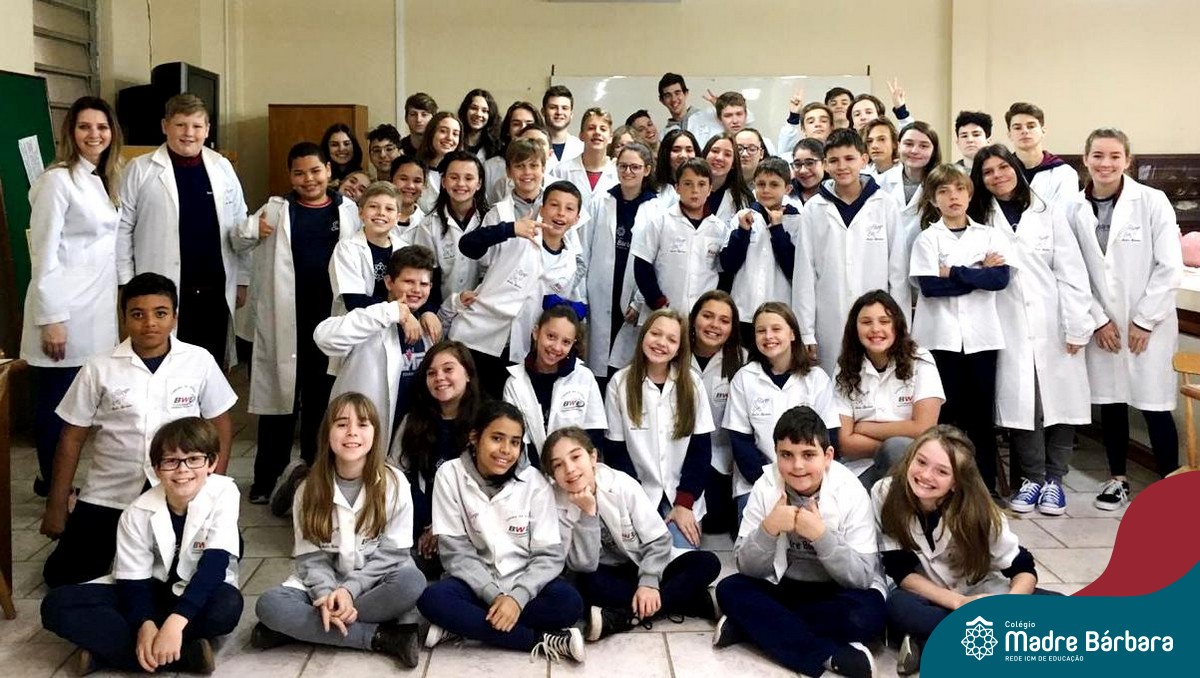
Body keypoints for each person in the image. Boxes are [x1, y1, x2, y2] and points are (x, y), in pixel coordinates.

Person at [40, 273, 236, 588]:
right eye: (138, 314)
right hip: (109, 492)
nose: (150, 323)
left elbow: (221, 423)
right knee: (63, 578)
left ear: (174, 317)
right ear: (124, 319)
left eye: (160, 313)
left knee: (195, 568)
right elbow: (71, 437)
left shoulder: (199, 361)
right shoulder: (99, 367)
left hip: (178, 488)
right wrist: (56, 504)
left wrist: (212, 485)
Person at [41, 417, 242, 675]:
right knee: (57, 604)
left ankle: (112, 652)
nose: (182, 470)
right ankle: (182, 655)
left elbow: (213, 567)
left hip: (194, 589)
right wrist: (145, 624)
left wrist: (175, 623)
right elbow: (134, 582)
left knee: (227, 605)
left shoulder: (225, 493)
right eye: (170, 461)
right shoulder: (136, 512)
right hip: (150, 589)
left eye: (194, 459)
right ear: (156, 469)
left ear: (211, 463)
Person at [252, 394, 425, 667]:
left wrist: (349, 592)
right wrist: (326, 595)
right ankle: (381, 637)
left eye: (363, 424)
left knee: (412, 583)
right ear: (327, 433)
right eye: (342, 424)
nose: (352, 432)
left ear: (376, 434)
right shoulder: (307, 490)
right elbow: (311, 559)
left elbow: (394, 553)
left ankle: (299, 629)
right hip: (326, 585)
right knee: (270, 604)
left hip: (377, 582)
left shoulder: (395, 482)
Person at [714, 406, 886, 678]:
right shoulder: (765, 485)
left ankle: (754, 627)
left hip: (835, 591)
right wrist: (769, 529)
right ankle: (830, 655)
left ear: (827, 456)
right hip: (785, 585)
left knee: (868, 614)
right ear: (776, 454)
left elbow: (862, 577)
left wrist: (821, 536)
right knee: (729, 589)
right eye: (786, 455)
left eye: (808, 455)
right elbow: (746, 567)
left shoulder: (851, 490)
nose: (797, 466)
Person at [967, 144, 1093, 514]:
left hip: (1053, 321)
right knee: (1023, 404)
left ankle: (1055, 480)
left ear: (1016, 169)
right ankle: (1032, 479)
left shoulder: (1047, 212)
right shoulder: (979, 219)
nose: (997, 176)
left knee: (1062, 402)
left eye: (1003, 167)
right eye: (988, 172)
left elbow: (1071, 271)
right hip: (1006, 324)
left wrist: (1076, 326)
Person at [873, 426, 1055, 675]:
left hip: (979, 591)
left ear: (956, 482)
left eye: (941, 471)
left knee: (1059, 608)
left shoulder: (980, 511)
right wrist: (959, 603)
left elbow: (1022, 567)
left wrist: (1010, 608)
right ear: (910, 459)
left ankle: (927, 642)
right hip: (926, 595)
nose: (925, 475)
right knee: (898, 608)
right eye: (921, 462)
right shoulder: (885, 492)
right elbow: (901, 572)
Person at [1065, 128, 1183, 508]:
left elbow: (1169, 266)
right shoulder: (1072, 208)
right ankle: (1117, 480)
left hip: (1150, 324)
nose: (1106, 163)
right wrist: (1098, 319)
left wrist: (1145, 320)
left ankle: (1170, 489)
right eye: (1098, 155)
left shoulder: (1152, 201)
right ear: (1086, 159)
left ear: (1127, 161)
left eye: (1115, 156)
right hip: (1104, 325)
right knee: (1112, 403)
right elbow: (1073, 272)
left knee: (1155, 405)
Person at [237, 142, 360, 505]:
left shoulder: (347, 210)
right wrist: (251, 229)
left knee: (322, 403)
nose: (309, 179)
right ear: (290, 176)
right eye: (299, 173)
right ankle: (266, 479)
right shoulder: (276, 209)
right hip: (287, 320)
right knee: (280, 405)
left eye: (316, 171)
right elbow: (239, 238)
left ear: (328, 171)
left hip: (330, 321)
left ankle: (314, 477)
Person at [417, 401, 586, 662]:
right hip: (473, 583)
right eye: (497, 438)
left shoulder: (535, 483)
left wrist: (517, 598)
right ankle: (540, 640)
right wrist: (494, 596)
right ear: (475, 438)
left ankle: (464, 625)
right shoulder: (449, 475)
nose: (506, 450)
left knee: (570, 603)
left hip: (525, 582)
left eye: (515, 442)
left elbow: (549, 556)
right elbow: (456, 554)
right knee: (432, 599)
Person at [21, 96, 123, 498]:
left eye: (101, 127)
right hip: (63, 313)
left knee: (82, 405)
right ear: (70, 132)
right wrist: (52, 319)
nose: (94, 134)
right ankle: (53, 485)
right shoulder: (57, 181)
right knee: (57, 406)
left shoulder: (102, 177)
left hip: (95, 310)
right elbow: (43, 254)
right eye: (84, 127)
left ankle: (59, 480)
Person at [543, 427, 721, 640]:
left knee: (708, 563)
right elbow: (583, 565)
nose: (570, 469)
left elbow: (659, 540)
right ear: (552, 475)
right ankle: (695, 601)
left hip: (643, 562)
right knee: (587, 586)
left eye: (575, 457)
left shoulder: (621, 484)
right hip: (604, 573)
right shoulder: (554, 502)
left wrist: (648, 582)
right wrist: (587, 515)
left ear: (593, 457)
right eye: (558, 465)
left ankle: (623, 617)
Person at [118, 93, 249, 368]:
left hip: (215, 287)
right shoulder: (139, 169)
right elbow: (122, 229)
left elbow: (241, 223)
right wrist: (126, 282)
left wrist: (242, 279)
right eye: (180, 125)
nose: (189, 133)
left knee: (209, 364)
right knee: (163, 363)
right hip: (161, 287)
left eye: (197, 126)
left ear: (207, 130)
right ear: (165, 126)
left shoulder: (222, 167)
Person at [909, 164, 1009, 495]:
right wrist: (977, 273)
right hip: (940, 340)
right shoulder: (926, 238)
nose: (953, 196)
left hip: (981, 340)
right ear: (933, 200)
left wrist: (952, 271)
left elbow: (999, 279)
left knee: (980, 418)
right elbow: (930, 288)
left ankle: (984, 489)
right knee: (945, 415)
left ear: (969, 194)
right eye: (943, 191)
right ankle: (941, 488)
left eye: (959, 189)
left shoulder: (989, 235)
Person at [449, 180, 586, 397]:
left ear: (577, 218)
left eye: (569, 209)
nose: (561, 213)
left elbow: (551, 312)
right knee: (462, 405)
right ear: (542, 209)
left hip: (517, 350)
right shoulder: (517, 234)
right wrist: (510, 229)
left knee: (498, 410)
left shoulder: (569, 263)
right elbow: (467, 245)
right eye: (554, 205)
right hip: (476, 337)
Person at [793, 128, 910, 376]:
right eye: (834, 160)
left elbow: (898, 273)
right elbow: (804, 274)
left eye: (849, 158)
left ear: (864, 160)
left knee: (876, 381)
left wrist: (901, 327)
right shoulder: (814, 208)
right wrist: (805, 331)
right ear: (825, 164)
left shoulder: (885, 204)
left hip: (877, 321)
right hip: (829, 319)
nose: (842, 166)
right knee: (833, 383)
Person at [605, 309, 714, 549]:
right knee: (643, 555)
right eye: (655, 334)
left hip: (683, 498)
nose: (661, 343)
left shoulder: (692, 383)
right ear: (643, 335)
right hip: (638, 495)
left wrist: (684, 503)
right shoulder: (619, 383)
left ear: (680, 348)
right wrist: (638, 505)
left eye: (672, 339)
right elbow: (616, 453)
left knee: (680, 555)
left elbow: (700, 452)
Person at [725, 303, 840, 519]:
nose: (768, 336)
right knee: (759, 537)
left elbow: (830, 437)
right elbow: (741, 443)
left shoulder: (816, 378)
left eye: (776, 329)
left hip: (810, 482)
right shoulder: (744, 378)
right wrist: (772, 483)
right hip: (758, 481)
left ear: (793, 334)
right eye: (761, 330)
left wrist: (804, 483)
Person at [316, 245, 439, 446]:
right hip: (362, 436)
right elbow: (323, 337)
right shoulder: (371, 319)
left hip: (407, 436)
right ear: (389, 282)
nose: (417, 290)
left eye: (424, 284)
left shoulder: (427, 325)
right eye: (408, 282)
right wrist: (390, 312)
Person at [834, 290, 944, 488]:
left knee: (896, 449)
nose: (875, 329)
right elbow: (845, 443)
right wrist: (890, 445)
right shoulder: (845, 367)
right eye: (866, 322)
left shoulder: (920, 360)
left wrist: (865, 428)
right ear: (854, 328)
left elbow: (923, 428)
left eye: (884, 321)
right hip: (859, 466)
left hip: (912, 464)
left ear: (897, 325)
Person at [393, 340, 483, 578]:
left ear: (468, 374)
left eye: (448, 369)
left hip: (471, 528)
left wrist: (443, 526)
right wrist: (428, 524)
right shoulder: (413, 421)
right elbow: (397, 477)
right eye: (431, 373)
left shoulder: (487, 421)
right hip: (419, 526)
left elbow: (491, 489)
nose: (439, 377)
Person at [583, 141, 659, 385]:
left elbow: (656, 261)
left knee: (624, 371)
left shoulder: (656, 209)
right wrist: (582, 294)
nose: (628, 172)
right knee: (597, 367)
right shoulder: (600, 201)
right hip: (599, 292)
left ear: (647, 170)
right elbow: (584, 249)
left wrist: (639, 301)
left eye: (635, 167)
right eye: (623, 166)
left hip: (633, 299)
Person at [502, 305, 606, 466]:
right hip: (530, 472)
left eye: (566, 342)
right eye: (551, 336)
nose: (557, 347)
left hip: (575, 470)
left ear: (573, 344)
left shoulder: (584, 378)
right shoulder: (515, 383)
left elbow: (594, 435)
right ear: (536, 332)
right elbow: (517, 439)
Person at [632, 158, 726, 318]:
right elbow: (642, 266)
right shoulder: (660, 221)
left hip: (702, 315)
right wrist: (657, 301)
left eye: (701, 184)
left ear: (710, 189)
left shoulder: (719, 228)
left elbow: (720, 272)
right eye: (688, 184)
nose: (695, 190)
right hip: (662, 311)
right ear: (677, 188)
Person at [722, 157, 800, 347]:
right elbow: (728, 264)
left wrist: (778, 229)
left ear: (788, 189)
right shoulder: (742, 218)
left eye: (774, 184)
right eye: (761, 184)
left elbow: (793, 268)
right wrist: (743, 232)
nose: (766, 190)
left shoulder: (797, 221)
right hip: (743, 311)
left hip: (780, 312)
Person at [688, 291, 746, 535]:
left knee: (717, 522)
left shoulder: (742, 360)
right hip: (679, 456)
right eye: (707, 316)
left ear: (732, 328)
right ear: (694, 319)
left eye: (724, 320)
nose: (714, 325)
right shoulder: (674, 353)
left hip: (722, 458)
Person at [415, 150, 488, 313]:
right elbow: (425, 277)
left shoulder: (490, 220)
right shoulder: (429, 225)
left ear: (479, 183)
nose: (461, 184)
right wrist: (431, 313)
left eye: (468, 178)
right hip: (442, 310)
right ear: (443, 182)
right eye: (454, 177)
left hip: (483, 311)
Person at [328, 181, 405, 316]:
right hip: (356, 324)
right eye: (373, 206)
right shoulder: (346, 248)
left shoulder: (404, 249)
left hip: (396, 322)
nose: (381, 213)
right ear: (360, 212)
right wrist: (395, 310)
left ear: (398, 217)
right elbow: (354, 301)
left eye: (389, 209)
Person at [1005, 102, 1079, 207]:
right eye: (1017, 128)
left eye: (1031, 126)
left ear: (1043, 131)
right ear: (1009, 135)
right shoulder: (1002, 172)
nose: (1025, 131)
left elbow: (1065, 212)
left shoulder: (1064, 173)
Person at [878, 121, 941, 237]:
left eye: (923, 146)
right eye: (908, 144)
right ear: (898, 146)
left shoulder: (942, 184)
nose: (914, 151)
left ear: (933, 151)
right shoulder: (879, 183)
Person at [550, 107, 617, 204]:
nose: (597, 132)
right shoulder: (560, 171)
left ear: (610, 137)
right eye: (591, 128)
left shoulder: (617, 173)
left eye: (603, 129)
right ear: (581, 135)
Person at [485, 101, 545, 203]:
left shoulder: (548, 162)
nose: (523, 128)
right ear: (508, 130)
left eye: (529, 124)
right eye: (516, 124)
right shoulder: (491, 166)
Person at [416, 112, 465, 213]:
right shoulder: (415, 169)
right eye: (443, 131)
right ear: (431, 134)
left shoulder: (467, 172)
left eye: (455, 134)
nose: (449, 138)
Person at [701, 133, 755, 223]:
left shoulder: (743, 200)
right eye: (715, 151)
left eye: (727, 154)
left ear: (733, 163)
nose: (719, 158)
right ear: (705, 155)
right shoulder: (687, 190)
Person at [651, 128, 699, 209]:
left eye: (689, 150)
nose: (683, 155)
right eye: (676, 150)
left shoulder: (704, 184)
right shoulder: (652, 187)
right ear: (665, 153)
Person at [388, 155, 428, 243]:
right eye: (403, 179)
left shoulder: (428, 224)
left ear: (424, 185)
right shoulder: (375, 218)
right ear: (391, 180)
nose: (410, 186)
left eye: (417, 181)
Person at [458, 88, 501, 160]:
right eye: (474, 108)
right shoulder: (454, 140)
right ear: (465, 110)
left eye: (484, 111)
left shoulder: (497, 147)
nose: (478, 114)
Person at [543, 85, 582, 164]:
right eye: (553, 107)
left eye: (564, 108)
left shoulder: (581, 147)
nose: (559, 112)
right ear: (543, 111)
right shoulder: (534, 145)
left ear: (571, 114)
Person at [658, 72, 704, 137]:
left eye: (677, 93)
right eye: (668, 95)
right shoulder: (664, 135)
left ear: (686, 94)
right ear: (662, 101)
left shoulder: (704, 118)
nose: (673, 99)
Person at [787, 137, 825, 205]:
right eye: (797, 164)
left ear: (824, 163)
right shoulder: (786, 193)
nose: (803, 171)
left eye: (810, 163)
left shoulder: (835, 194)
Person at [400, 93, 438, 157]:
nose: (418, 120)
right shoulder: (399, 149)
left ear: (433, 119)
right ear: (406, 118)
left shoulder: (440, 148)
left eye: (424, 115)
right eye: (413, 114)